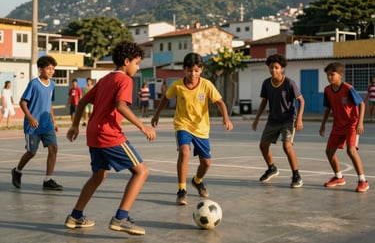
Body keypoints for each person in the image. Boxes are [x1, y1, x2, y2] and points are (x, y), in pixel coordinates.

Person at [65, 41, 156, 236]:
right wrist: (143, 126)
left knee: (99, 175)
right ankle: (121, 218)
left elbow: (82, 102)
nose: (138, 67)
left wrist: (75, 125)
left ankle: (75, 216)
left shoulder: (105, 79)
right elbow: (121, 105)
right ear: (126, 61)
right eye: (137, 63)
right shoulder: (125, 80)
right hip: (109, 134)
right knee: (142, 171)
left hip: (93, 133)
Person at [151, 52, 233, 206]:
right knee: (184, 151)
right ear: (184, 70)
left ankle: (197, 181)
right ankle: (181, 190)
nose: (193, 74)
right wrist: (156, 115)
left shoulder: (206, 85)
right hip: (183, 125)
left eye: (196, 70)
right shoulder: (177, 85)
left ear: (201, 70)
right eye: (189, 70)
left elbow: (220, 102)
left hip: (201, 128)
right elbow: (165, 99)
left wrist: (226, 118)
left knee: (206, 163)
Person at [252, 54, 304, 188]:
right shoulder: (266, 83)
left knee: (287, 146)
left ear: (282, 69)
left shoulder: (289, 83)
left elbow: (301, 101)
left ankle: (296, 175)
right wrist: (257, 118)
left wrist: (299, 119)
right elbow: (264, 101)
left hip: (288, 119)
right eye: (271, 68)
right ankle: (272, 168)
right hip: (273, 119)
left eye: (276, 68)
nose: (273, 70)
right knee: (263, 145)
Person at [11, 55, 63, 191]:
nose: (51, 71)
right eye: (48, 68)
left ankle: (48, 179)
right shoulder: (34, 84)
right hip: (33, 126)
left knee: (54, 149)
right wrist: (30, 118)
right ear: (40, 69)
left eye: (53, 68)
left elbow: (49, 104)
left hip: (47, 125)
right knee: (31, 152)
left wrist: (54, 121)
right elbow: (22, 102)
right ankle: (17, 171)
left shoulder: (52, 84)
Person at [319, 62, 369, 192]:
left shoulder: (347, 88)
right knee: (329, 152)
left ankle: (363, 180)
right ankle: (338, 177)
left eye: (332, 74)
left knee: (351, 151)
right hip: (337, 126)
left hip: (351, 124)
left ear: (340, 75)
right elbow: (328, 108)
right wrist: (323, 124)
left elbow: (362, 104)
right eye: (327, 75)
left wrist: (360, 122)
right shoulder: (327, 90)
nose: (329, 77)